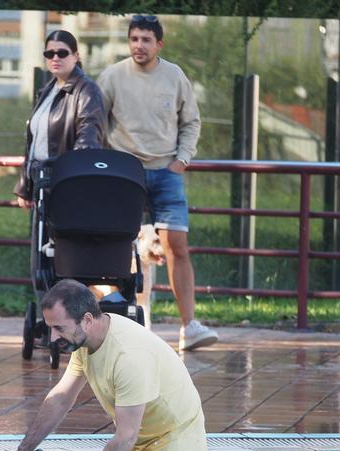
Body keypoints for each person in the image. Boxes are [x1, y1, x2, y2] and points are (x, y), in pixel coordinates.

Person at [6, 279, 206, 451]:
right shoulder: (87, 341)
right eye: (50, 328)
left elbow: (125, 435)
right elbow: (61, 398)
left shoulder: (129, 356)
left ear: (87, 320)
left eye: (58, 328)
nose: (53, 337)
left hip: (174, 441)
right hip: (140, 443)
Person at [97, 15, 218, 352]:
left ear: (159, 44)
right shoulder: (112, 76)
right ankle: (118, 325)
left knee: (177, 246)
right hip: (125, 173)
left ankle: (189, 327)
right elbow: (95, 121)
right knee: (118, 247)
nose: (139, 45)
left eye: (146, 40)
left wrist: (182, 160)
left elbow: (191, 121)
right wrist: (106, 163)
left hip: (166, 171)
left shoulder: (175, 76)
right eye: (134, 39)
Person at [13, 29, 104, 208]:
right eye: (50, 54)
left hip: (66, 186)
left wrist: (70, 181)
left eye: (62, 53)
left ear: (76, 56)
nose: (55, 58)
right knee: (42, 228)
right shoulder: (47, 91)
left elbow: (88, 142)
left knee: (63, 228)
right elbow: (34, 142)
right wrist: (25, 186)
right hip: (41, 184)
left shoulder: (87, 90)